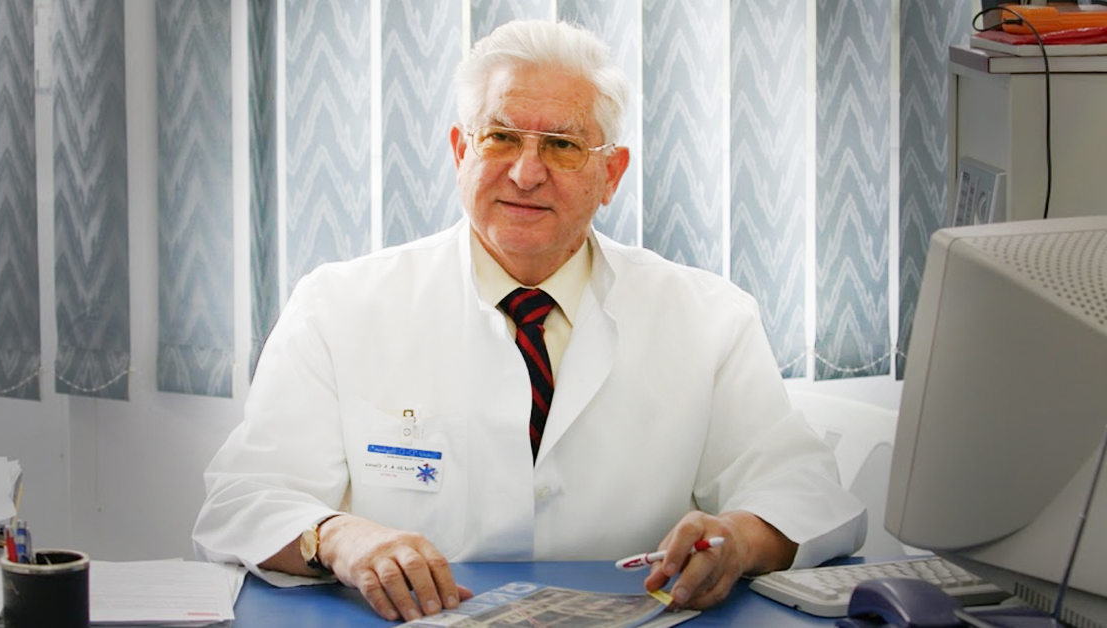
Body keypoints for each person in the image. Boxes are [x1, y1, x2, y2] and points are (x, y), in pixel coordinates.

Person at [193, 19, 866, 623]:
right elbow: (244, 498)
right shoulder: (339, 305)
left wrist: (738, 538)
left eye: (563, 146)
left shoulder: (709, 317)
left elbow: (803, 491)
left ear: (612, 174)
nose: (524, 172)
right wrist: (341, 538)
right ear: (460, 151)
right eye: (501, 137)